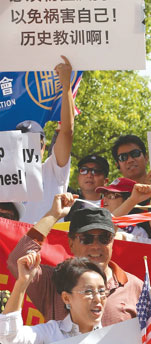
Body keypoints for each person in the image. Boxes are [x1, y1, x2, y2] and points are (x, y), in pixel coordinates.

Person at [7, 193, 151, 325]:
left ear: (112, 242)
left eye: (104, 238)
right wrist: (53, 214)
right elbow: (18, 260)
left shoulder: (137, 287)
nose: (96, 246)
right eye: (86, 238)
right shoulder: (53, 281)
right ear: (71, 243)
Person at [0, 253, 106, 344]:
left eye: (102, 291)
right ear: (66, 298)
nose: (98, 299)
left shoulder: (114, 336)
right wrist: (23, 282)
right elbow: (10, 336)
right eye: (88, 291)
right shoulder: (50, 334)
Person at [19, 56, 75, 224]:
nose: (29, 147)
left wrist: (66, 86)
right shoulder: (6, 176)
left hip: (48, 248)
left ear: (44, 147)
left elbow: (67, 131)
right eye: (22, 142)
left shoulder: (53, 170)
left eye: (36, 142)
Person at [65, 154, 110, 221]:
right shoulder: (66, 201)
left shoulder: (112, 205)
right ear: (78, 177)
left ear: (105, 181)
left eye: (96, 171)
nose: (89, 175)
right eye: (84, 170)